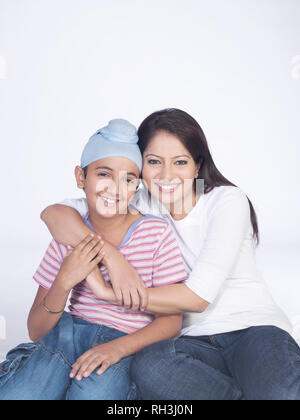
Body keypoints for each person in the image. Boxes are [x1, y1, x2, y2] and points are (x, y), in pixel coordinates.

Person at [41, 109, 300, 400]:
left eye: (180, 162)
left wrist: (108, 292)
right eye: (153, 162)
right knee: (149, 367)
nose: (166, 176)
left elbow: (197, 298)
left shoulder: (225, 200)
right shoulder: (143, 200)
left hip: (253, 328)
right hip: (189, 343)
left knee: (282, 393)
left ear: (197, 165)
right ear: (140, 168)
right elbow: (55, 214)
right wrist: (112, 257)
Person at [0, 119, 188, 401]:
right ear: (80, 178)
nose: (115, 188)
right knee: (23, 393)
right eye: (104, 174)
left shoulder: (156, 234)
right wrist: (64, 281)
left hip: (125, 345)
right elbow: (36, 330)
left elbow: (172, 321)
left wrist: (117, 349)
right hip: (66, 333)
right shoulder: (69, 233)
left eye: (128, 179)